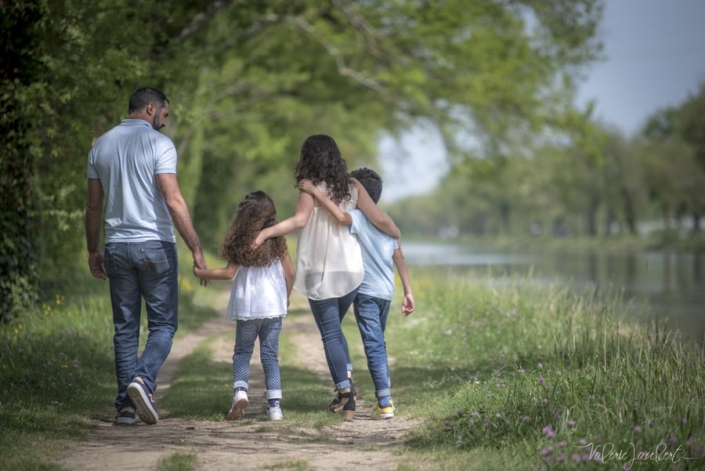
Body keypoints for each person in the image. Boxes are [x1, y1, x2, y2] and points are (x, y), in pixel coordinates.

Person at [253, 134, 400, 420]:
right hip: (351, 268)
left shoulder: (308, 187)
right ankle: (344, 391)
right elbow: (378, 218)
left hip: (322, 269)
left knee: (331, 332)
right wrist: (396, 233)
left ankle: (346, 394)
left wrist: (265, 232)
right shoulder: (353, 185)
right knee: (336, 330)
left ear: (308, 157)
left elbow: (299, 221)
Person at [85, 86, 209, 426]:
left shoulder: (101, 146)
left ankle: (125, 408)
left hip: (117, 246)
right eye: (165, 115)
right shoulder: (159, 144)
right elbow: (173, 200)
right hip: (155, 245)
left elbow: (94, 206)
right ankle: (143, 379)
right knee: (164, 325)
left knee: (125, 329)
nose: (165, 122)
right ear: (151, 109)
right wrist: (196, 248)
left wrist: (92, 248)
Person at [298, 167, 414, 420]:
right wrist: (408, 291)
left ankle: (384, 402)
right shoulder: (387, 222)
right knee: (376, 343)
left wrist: (316, 193)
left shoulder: (359, 218)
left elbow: (339, 217)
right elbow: (400, 257)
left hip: (365, 291)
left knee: (372, 345)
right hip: (386, 291)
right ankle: (368, 394)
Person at [193, 191, 295, 421]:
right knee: (270, 356)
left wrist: (200, 272)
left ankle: (240, 392)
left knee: (242, 352)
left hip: (249, 308)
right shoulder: (278, 241)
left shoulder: (243, 241)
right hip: (272, 309)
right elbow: (291, 273)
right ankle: (275, 406)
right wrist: (285, 296)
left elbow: (229, 273)